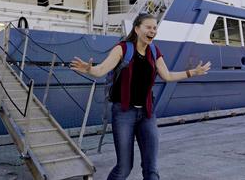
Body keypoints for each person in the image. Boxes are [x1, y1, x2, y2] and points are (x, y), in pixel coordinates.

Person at [70, 14, 211, 180]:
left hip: (147, 114)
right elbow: (101, 70)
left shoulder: (154, 51)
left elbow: (167, 76)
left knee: (151, 168)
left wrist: (192, 72)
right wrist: (89, 69)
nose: (152, 31)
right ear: (137, 29)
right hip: (124, 113)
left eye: (154, 28)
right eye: (148, 27)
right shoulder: (122, 48)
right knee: (124, 168)